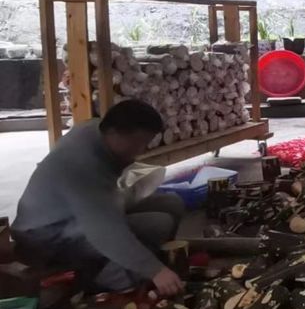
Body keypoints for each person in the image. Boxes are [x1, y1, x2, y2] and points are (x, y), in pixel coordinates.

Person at [12, 99, 185, 297]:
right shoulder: (82, 167)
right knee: (158, 224)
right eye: (138, 143)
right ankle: (102, 279)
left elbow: (103, 203)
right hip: (45, 236)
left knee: (171, 203)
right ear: (114, 132)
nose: (142, 150)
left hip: (77, 214)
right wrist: (155, 271)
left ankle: (148, 258)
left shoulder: (95, 129)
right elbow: (104, 232)